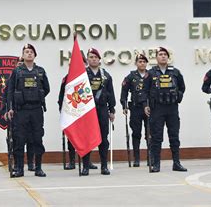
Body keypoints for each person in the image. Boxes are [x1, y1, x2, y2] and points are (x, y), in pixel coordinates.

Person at [6, 43, 50, 177]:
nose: (29, 53)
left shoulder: (41, 71)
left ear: (35, 55)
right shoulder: (17, 72)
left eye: (31, 52)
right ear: (22, 55)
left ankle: (38, 168)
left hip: (36, 109)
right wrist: (10, 108)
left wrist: (36, 96)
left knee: (37, 138)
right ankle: (19, 168)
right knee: (19, 139)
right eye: (26, 52)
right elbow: (10, 91)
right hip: (21, 110)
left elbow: (46, 88)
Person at [144, 47, 187, 173]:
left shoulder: (175, 72)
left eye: (165, 55)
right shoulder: (150, 73)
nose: (163, 56)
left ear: (168, 58)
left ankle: (176, 163)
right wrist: (145, 105)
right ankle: (155, 164)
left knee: (174, 136)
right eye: (160, 54)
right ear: (156, 58)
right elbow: (144, 91)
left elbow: (182, 87)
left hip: (172, 108)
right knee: (156, 137)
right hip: (157, 108)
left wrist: (177, 97)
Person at [58, 53, 98, 171]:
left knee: (86, 137)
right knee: (72, 137)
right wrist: (62, 110)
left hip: (85, 111)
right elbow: (62, 96)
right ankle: (72, 161)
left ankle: (87, 161)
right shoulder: (68, 78)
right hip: (72, 111)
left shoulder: (86, 78)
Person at [81, 48, 116, 176]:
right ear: (87, 59)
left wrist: (112, 110)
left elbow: (111, 93)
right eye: (91, 57)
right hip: (88, 110)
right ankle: (85, 166)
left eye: (96, 57)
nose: (93, 59)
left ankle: (104, 166)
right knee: (87, 138)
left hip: (102, 109)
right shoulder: (83, 74)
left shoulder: (105, 75)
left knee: (103, 138)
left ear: (99, 59)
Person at [120, 53, 149, 167]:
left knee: (150, 134)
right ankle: (136, 158)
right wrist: (124, 105)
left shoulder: (151, 75)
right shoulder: (131, 76)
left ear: (146, 63)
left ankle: (150, 157)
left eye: (144, 61)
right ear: (136, 63)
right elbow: (124, 92)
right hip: (136, 108)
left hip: (148, 109)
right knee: (136, 134)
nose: (142, 63)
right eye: (140, 61)